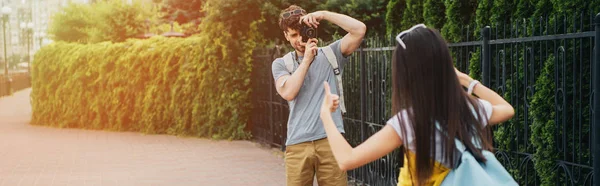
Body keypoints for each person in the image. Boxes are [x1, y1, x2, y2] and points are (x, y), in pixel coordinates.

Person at [319, 24, 515, 185]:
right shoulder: (466, 108)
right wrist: (465, 80)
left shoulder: (410, 122)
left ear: (405, 74)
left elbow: (347, 159)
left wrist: (326, 115)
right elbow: (507, 109)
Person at [270, 4, 366, 186]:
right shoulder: (281, 64)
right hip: (298, 143)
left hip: (331, 140)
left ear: (311, 30)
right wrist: (306, 60)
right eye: (293, 35)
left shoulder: (332, 54)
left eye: (303, 32)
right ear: (285, 36)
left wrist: (323, 14)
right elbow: (288, 92)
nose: (300, 40)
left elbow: (359, 30)